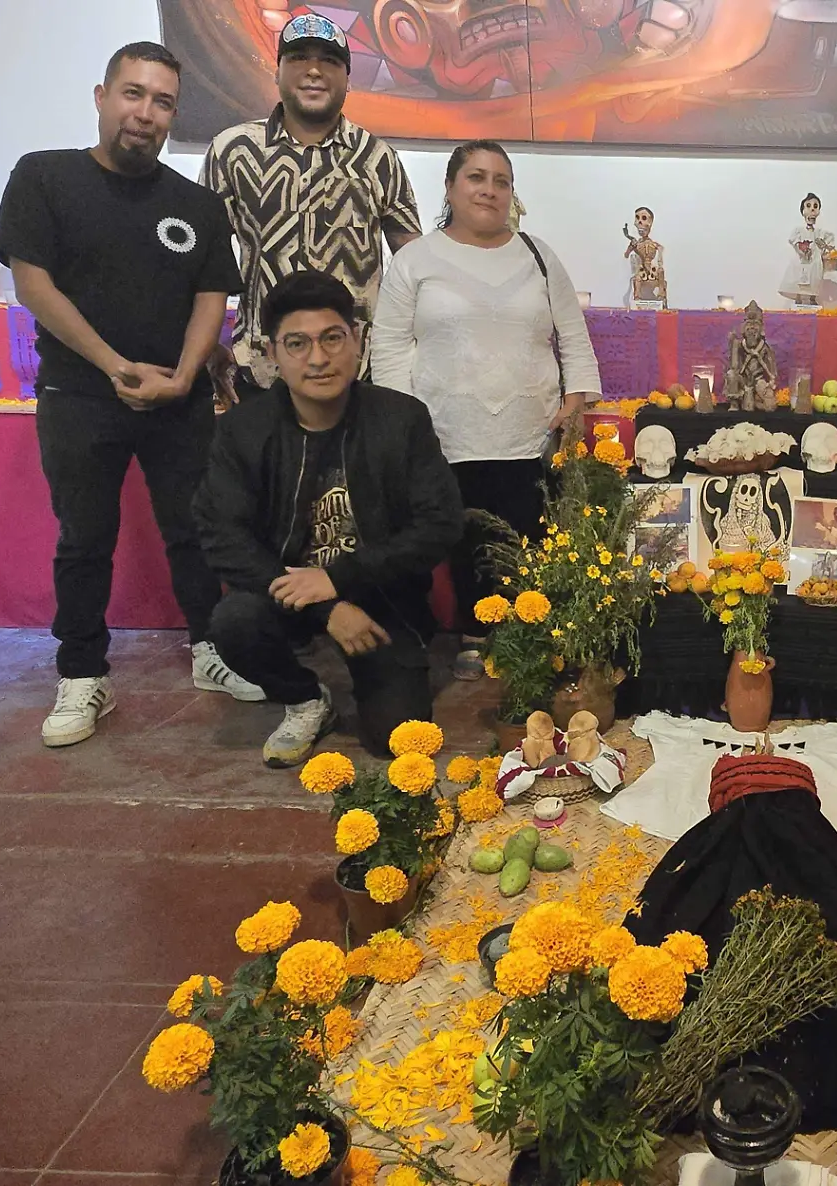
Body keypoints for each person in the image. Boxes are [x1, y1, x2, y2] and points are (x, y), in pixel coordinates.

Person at [0, 41, 261, 749]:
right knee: (84, 540)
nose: (146, 113)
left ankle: (212, 649)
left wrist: (183, 372)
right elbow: (33, 284)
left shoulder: (196, 205)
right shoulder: (44, 178)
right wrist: (115, 365)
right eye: (134, 94)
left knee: (195, 532)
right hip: (79, 395)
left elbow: (212, 296)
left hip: (178, 400)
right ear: (102, 96)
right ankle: (83, 675)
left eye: (163, 101)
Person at [196, 272, 464, 766]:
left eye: (332, 338)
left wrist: (339, 579)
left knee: (397, 740)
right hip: (286, 593)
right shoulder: (243, 430)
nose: (317, 359)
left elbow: (440, 524)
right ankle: (304, 698)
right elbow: (219, 534)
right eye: (296, 344)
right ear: (272, 352)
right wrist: (327, 607)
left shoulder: (401, 420)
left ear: (357, 341)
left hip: (381, 595)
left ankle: (382, 670)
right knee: (233, 623)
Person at [371, 140, 601, 679]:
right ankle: (475, 637)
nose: (490, 189)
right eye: (476, 177)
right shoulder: (416, 259)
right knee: (464, 536)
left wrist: (574, 401)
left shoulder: (538, 256)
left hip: (529, 428)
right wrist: (403, 421)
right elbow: (389, 344)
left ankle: (527, 632)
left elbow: (572, 334)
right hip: (443, 432)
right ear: (450, 187)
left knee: (527, 532)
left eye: (501, 180)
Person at [198, 12, 421, 399]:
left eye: (330, 61)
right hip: (262, 375)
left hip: (356, 376)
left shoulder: (377, 158)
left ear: (348, 80)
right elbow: (202, 260)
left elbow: (415, 265)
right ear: (277, 70)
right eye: (299, 58)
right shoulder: (233, 152)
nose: (314, 71)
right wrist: (203, 346)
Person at [780, 193, 836, 307]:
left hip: (814, 260)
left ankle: (812, 298)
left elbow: (828, 242)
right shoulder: (799, 230)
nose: (812, 210)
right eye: (808, 206)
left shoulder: (819, 233)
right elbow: (792, 239)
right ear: (803, 210)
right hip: (801, 260)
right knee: (798, 277)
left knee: (814, 277)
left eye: (815, 206)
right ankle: (799, 298)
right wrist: (800, 245)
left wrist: (827, 250)